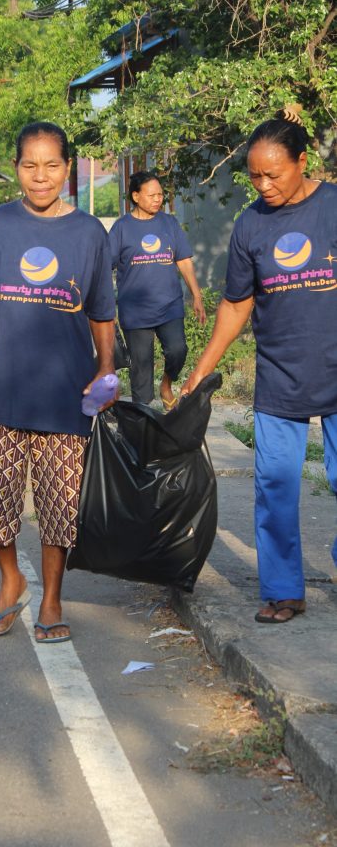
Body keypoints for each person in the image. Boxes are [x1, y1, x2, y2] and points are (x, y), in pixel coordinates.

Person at [0, 121, 117, 643]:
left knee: (60, 504)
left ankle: (52, 598)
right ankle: (11, 580)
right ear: (16, 169)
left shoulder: (88, 234)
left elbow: (102, 310)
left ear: (68, 169)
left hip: (65, 394)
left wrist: (106, 368)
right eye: (30, 165)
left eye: (51, 165)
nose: (40, 176)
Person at [182, 108, 337, 624]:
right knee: (274, 486)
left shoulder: (334, 206)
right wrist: (202, 368)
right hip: (280, 377)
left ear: (302, 161)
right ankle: (283, 589)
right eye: (254, 175)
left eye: (274, 173)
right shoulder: (250, 224)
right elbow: (236, 304)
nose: (264, 184)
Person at [107, 171, 206, 408]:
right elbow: (105, 267)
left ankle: (166, 383)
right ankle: (142, 424)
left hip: (169, 305)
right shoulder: (121, 228)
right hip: (135, 310)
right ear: (136, 196)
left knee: (177, 350)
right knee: (141, 370)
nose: (158, 199)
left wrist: (197, 295)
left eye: (161, 194)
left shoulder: (169, 223)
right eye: (152, 195)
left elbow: (183, 260)